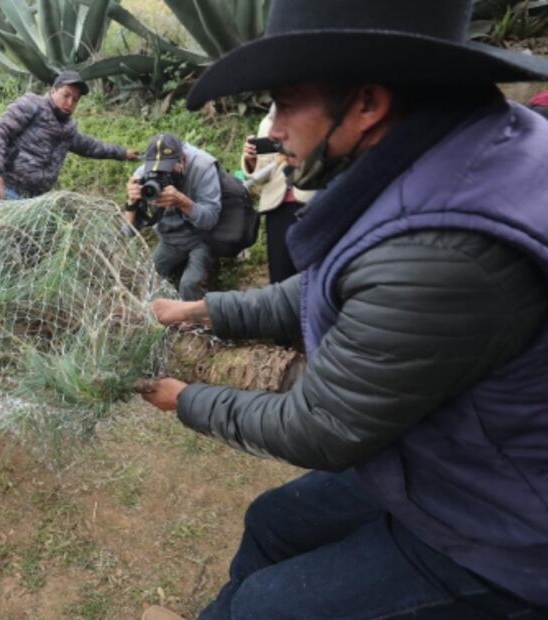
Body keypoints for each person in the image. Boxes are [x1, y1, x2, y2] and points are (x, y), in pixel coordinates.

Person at [137, 1, 548, 619]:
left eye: (283, 101)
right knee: (273, 520)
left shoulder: (442, 253)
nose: (270, 129)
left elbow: (323, 426)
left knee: (265, 609)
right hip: (447, 456)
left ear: (366, 105)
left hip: (502, 528)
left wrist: (183, 398)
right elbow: (330, 287)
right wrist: (197, 311)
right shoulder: (452, 151)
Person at [0, 70, 139, 203]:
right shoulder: (31, 104)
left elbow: (92, 147)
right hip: (4, 191)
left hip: (33, 201)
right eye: (66, 95)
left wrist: (123, 153)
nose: (69, 103)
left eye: (75, 100)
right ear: (53, 90)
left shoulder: (68, 129)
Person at [124, 133, 221, 301]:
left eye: (167, 169)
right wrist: (132, 202)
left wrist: (183, 202)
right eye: (156, 170)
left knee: (189, 285)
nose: (160, 175)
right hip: (170, 239)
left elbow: (211, 220)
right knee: (147, 279)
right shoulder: (143, 176)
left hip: (203, 239)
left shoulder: (203, 167)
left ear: (182, 159)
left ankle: (197, 323)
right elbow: (128, 232)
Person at [241, 105, 314, 283]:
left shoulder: (314, 113)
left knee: (310, 270)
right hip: (277, 206)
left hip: (310, 201)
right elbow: (262, 175)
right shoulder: (267, 122)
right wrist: (252, 160)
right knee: (280, 272)